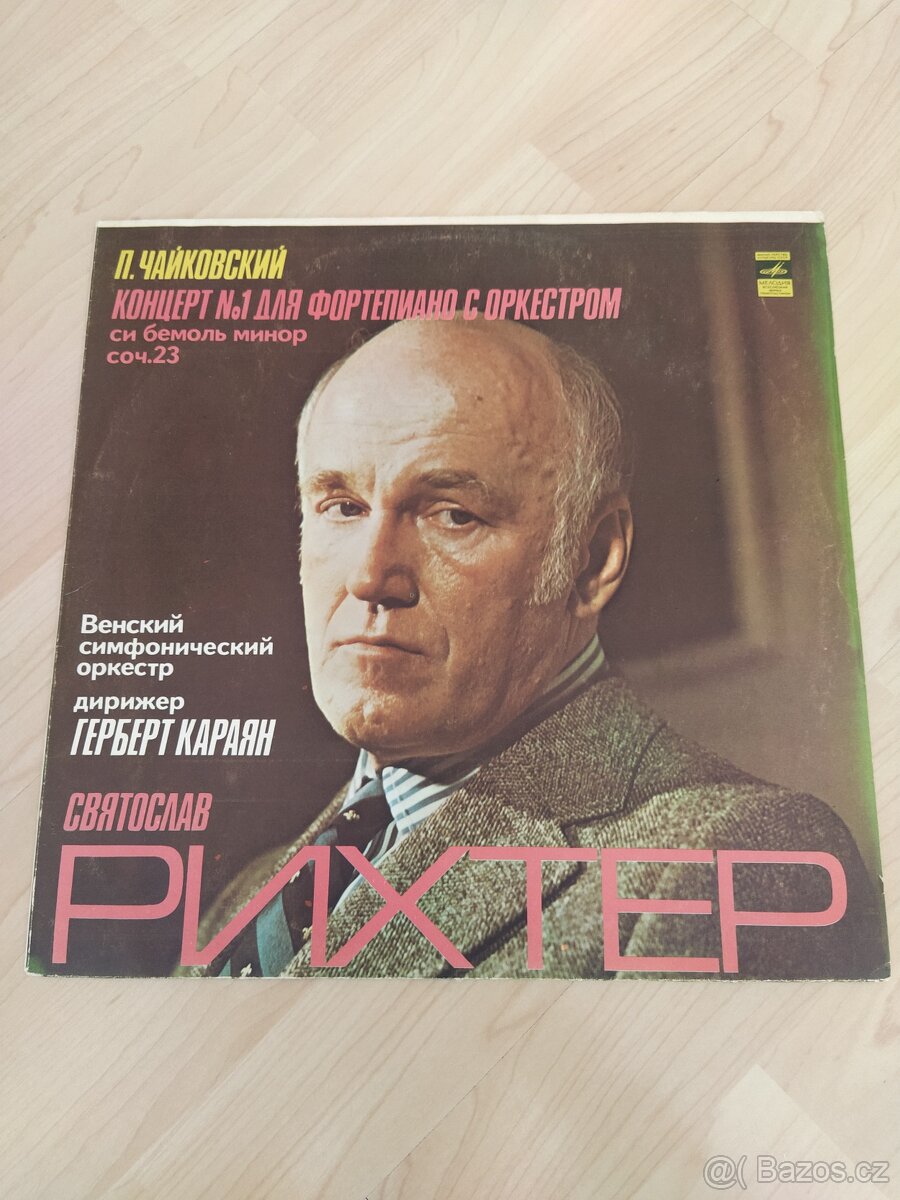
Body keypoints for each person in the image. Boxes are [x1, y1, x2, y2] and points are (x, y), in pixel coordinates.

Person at [189, 317, 885, 980]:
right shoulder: (246, 898)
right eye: (342, 507)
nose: (370, 577)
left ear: (592, 559)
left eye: (453, 514)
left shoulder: (729, 857)